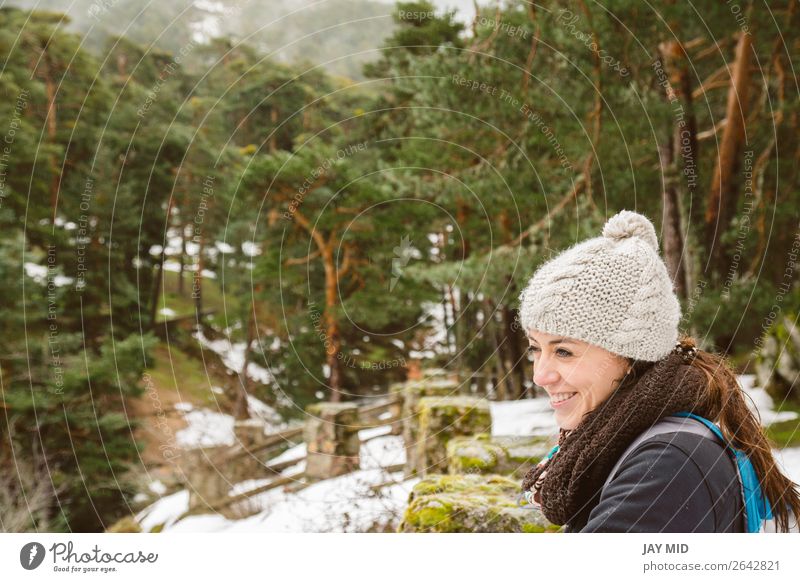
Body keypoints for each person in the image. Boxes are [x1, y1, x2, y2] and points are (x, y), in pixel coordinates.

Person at [516, 209, 800, 532]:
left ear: (631, 355)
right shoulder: (621, 442)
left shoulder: (669, 466)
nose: (541, 375)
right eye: (535, 349)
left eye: (563, 351)